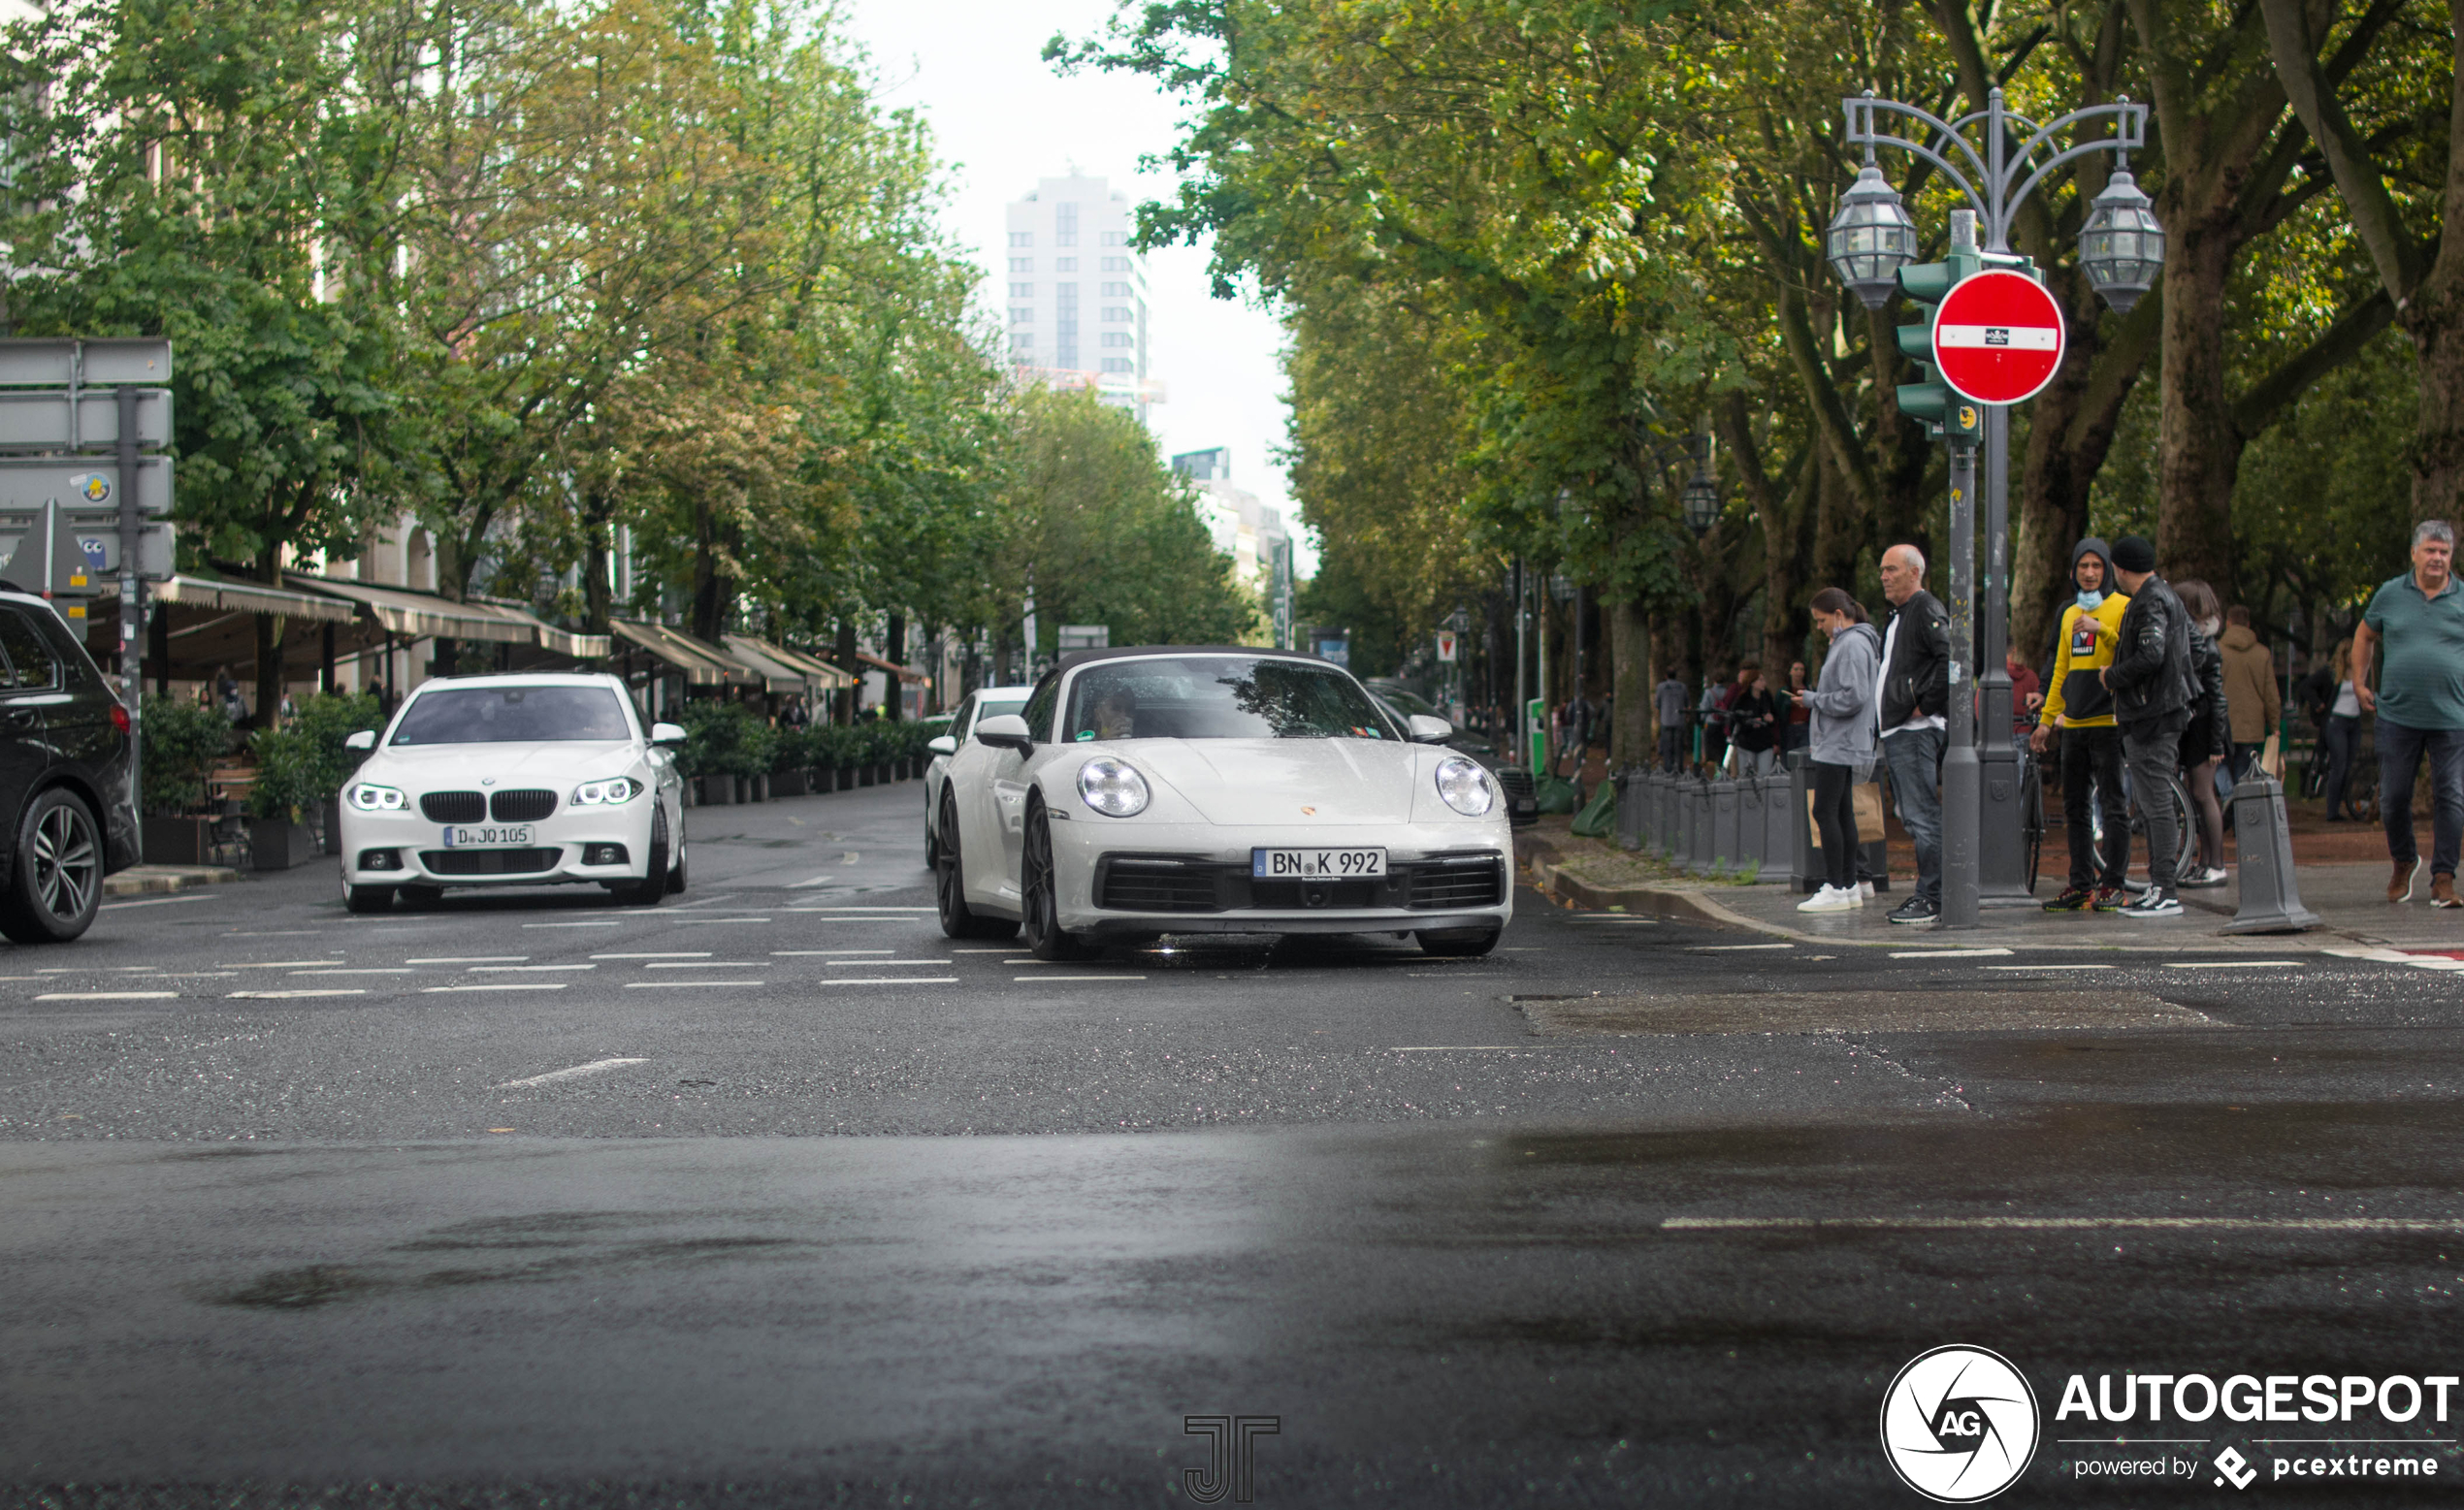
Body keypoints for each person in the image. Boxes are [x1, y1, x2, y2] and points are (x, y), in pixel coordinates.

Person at [2353, 519, 2464, 907]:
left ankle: (2444, 878)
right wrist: (2358, 681)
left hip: (2453, 718)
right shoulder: (2389, 594)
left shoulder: (2463, 598)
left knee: (2451, 796)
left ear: (2451, 558)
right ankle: (2404, 861)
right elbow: (2366, 634)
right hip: (2397, 715)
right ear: (2414, 553)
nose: (2437, 558)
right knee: (2394, 797)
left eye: (2444, 552)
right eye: (2430, 550)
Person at [2099, 534, 2197, 918]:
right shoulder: (2167, 595)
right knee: (2155, 802)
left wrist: (2113, 676)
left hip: (2150, 716)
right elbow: (2195, 648)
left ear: (2120, 569)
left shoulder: (2149, 600)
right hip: (2162, 710)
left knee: (2156, 806)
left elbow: (2151, 654)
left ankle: (2165, 890)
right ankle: (2161, 887)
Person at [2033, 537, 2132, 912]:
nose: (2089, 574)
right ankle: (2080, 883)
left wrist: (2101, 629)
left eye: (2097, 567)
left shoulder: (2122, 607)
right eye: (2082, 567)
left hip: (2108, 719)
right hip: (2072, 723)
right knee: (2074, 807)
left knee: (2112, 804)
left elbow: (2132, 651)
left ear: (2107, 571)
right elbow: (2061, 667)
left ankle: (2113, 883)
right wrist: (2047, 721)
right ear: (2073, 571)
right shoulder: (2067, 613)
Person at [1871, 544, 1950, 924]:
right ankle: (1931, 893)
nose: (1884, 576)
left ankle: (1932, 897)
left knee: (1921, 816)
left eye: (1892, 569)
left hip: (1915, 729)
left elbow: (1950, 657)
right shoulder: (1903, 615)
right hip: (1901, 728)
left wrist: (1928, 703)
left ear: (1915, 572)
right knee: (1912, 814)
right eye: (1882, 570)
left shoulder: (1924, 609)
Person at [1792, 588, 1882, 913]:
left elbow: (1854, 696)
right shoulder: (1855, 643)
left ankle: (1837, 884)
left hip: (1839, 741)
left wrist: (1814, 699)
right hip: (1845, 740)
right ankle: (1848, 884)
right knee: (1842, 812)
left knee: (1825, 811)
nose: (1819, 627)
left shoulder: (1852, 644)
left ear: (1840, 615)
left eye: (1821, 620)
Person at [2173, 579, 2232, 888]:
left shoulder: (2206, 647)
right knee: (2197, 795)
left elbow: (2218, 698)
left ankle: (2216, 863)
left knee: (2204, 794)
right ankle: (2205, 861)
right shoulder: (2201, 641)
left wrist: (2216, 742)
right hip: (2198, 726)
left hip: (2205, 727)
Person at [2218, 605, 2280, 785]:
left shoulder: (2217, 650)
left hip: (2222, 722)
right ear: (2248, 624)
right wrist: (2274, 724)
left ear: (2228, 623)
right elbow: (2271, 694)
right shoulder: (2262, 653)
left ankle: (2227, 798)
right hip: (2250, 724)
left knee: (2219, 765)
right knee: (2244, 769)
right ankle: (2239, 806)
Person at [2308, 638, 2366, 822]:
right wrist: (2318, 704)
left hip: (2354, 723)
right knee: (2338, 766)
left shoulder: (2361, 671)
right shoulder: (2332, 672)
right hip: (2336, 723)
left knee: (2348, 766)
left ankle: (2342, 805)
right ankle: (2331, 811)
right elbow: (2306, 686)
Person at [1728, 665, 1778, 776]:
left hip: (1765, 742)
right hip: (1747, 743)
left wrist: (1770, 719)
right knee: (1747, 775)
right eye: (1760, 680)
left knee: (1764, 774)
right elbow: (1735, 719)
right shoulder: (1742, 699)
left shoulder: (1766, 697)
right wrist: (1750, 723)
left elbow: (1774, 715)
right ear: (1752, 682)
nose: (1763, 683)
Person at [1653, 671, 1688, 772]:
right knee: (1679, 748)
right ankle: (1679, 769)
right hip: (1679, 721)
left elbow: (1657, 703)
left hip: (1666, 720)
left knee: (1667, 747)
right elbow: (1687, 703)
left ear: (1666, 675)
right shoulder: (1682, 687)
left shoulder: (1661, 687)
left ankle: (1668, 769)